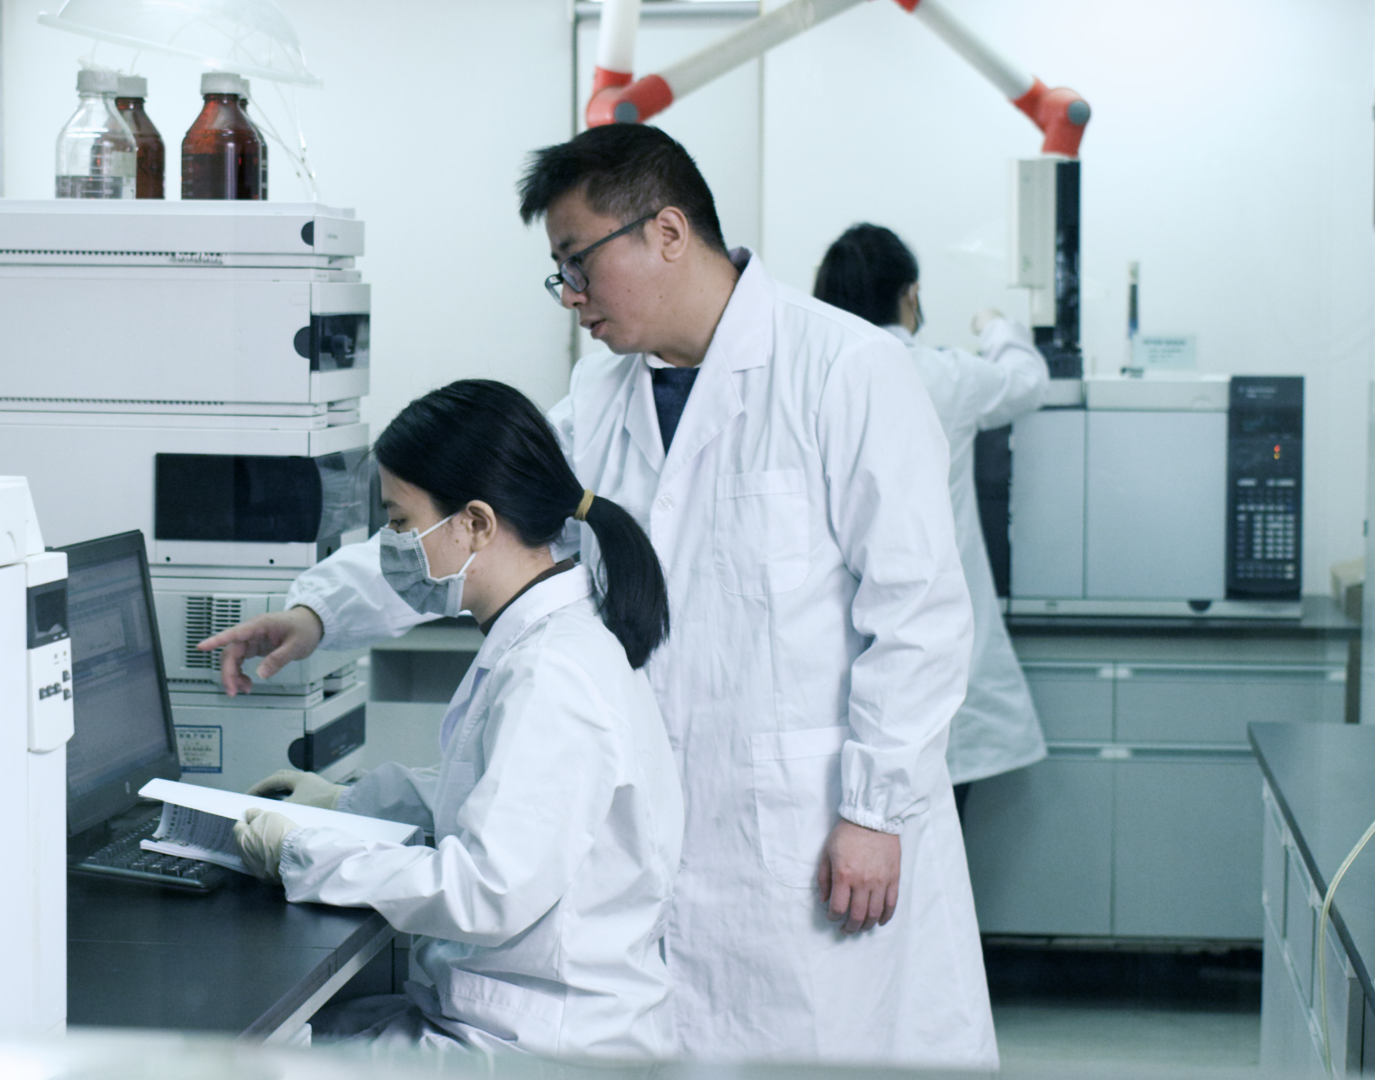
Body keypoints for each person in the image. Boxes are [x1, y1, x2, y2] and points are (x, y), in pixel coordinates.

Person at [202, 125, 996, 1069]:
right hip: (672, 848)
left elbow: (919, 614)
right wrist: (320, 613)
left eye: (578, 262)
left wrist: (875, 810)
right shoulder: (607, 392)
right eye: (560, 272)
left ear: (668, 232)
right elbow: (484, 512)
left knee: (829, 1052)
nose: (570, 294)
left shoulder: (845, 369)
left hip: (811, 828)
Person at [228, 379, 685, 1060]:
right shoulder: (551, 636)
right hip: (514, 1016)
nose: (392, 544)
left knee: (240, 1059)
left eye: (400, 522)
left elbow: (487, 890)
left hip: (538, 1045)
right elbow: (492, 795)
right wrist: (346, 804)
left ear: (476, 523)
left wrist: (305, 854)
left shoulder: (551, 672)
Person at [811, 224, 1050, 816]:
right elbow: (1028, 382)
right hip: (931, 645)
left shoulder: (810, 374)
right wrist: (995, 324)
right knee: (933, 827)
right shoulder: (943, 375)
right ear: (910, 294)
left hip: (831, 643)